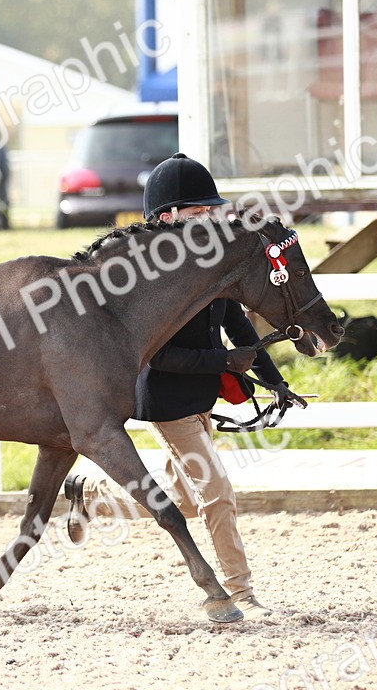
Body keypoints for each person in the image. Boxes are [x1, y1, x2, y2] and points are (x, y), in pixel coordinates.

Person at [62, 153, 294, 621]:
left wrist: (275, 381)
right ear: (166, 217)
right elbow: (157, 354)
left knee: (183, 500)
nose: (210, 218)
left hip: (202, 394)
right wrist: (224, 361)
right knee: (217, 494)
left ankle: (90, 497)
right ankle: (238, 590)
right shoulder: (150, 281)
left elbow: (239, 327)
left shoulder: (212, 266)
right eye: (198, 212)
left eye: (212, 210)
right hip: (166, 397)